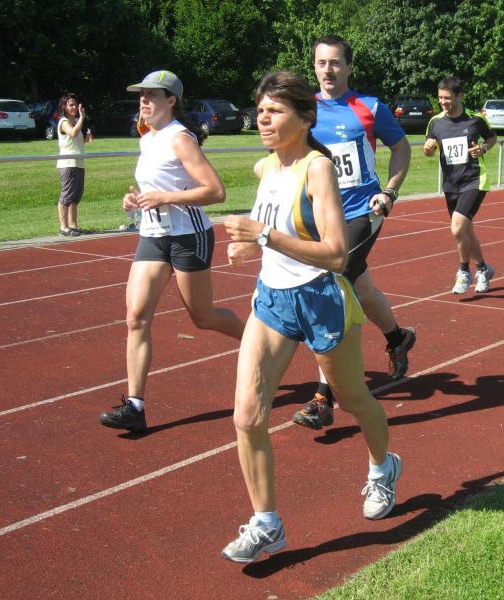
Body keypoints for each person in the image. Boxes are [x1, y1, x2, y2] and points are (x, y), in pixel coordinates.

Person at [220, 71, 402, 564]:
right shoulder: (265, 166)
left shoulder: (318, 168)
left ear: (305, 118)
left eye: (275, 110)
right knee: (246, 415)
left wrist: (263, 236)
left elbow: (337, 254)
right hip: (272, 301)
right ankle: (266, 524)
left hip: (321, 298)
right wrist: (250, 247)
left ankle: (383, 467)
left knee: (353, 398)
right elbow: (271, 234)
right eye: (260, 109)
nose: (263, 118)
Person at [98, 70, 245, 433]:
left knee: (203, 317)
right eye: (141, 95)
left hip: (187, 235)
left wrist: (165, 197)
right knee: (136, 316)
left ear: (171, 100)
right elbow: (155, 186)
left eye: (151, 95)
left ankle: (260, 344)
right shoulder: (147, 137)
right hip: (152, 235)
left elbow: (215, 191)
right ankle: (135, 406)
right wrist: (135, 199)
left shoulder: (180, 139)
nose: (143, 100)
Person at [291, 34, 415, 431]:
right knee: (361, 289)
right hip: (321, 215)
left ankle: (322, 398)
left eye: (335, 62)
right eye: (321, 63)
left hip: (363, 211)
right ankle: (397, 338)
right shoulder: (304, 109)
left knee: (333, 283)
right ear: (314, 67)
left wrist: (389, 192)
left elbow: (402, 148)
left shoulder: (369, 107)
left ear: (348, 67)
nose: (328, 70)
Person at [423, 76, 497, 294]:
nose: (443, 102)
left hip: (474, 180)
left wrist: (483, 148)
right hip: (451, 184)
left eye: (447, 98)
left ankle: (464, 271)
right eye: (440, 98)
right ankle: (483, 269)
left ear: (459, 96)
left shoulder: (475, 119)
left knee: (457, 228)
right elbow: (430, 149)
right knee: (466, 232)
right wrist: (428, 149)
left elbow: (492, 138)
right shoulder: (435, 122)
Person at [56, 92, 93, 236]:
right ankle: (63, 227)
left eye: (75, 105)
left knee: (76, 195)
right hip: (68, 162)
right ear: (64, 107)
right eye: (71, 105)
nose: (74, 107)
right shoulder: (63, 121)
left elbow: (75, 140)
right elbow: (72, 133)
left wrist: (86, 139)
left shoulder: (76, 120)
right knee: (67, 195)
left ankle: (73, 225)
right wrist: (82, 117)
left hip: (79, 162)